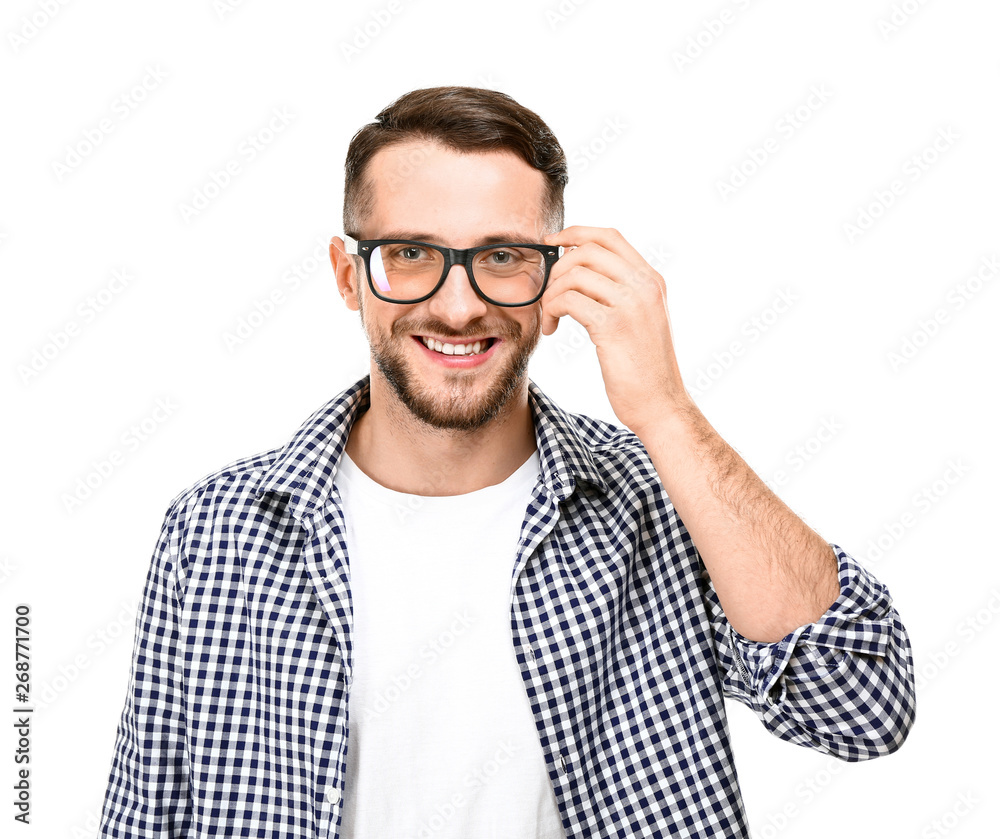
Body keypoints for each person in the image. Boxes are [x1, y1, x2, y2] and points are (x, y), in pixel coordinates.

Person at [98, 86, 915, 838]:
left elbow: (864, 703)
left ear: (555, 280)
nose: (459, 305)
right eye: (412, 253)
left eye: (502, 257)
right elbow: (143, 821)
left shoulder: (659, 503)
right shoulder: (215, 534)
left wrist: (665, 409)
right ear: (350, 277)